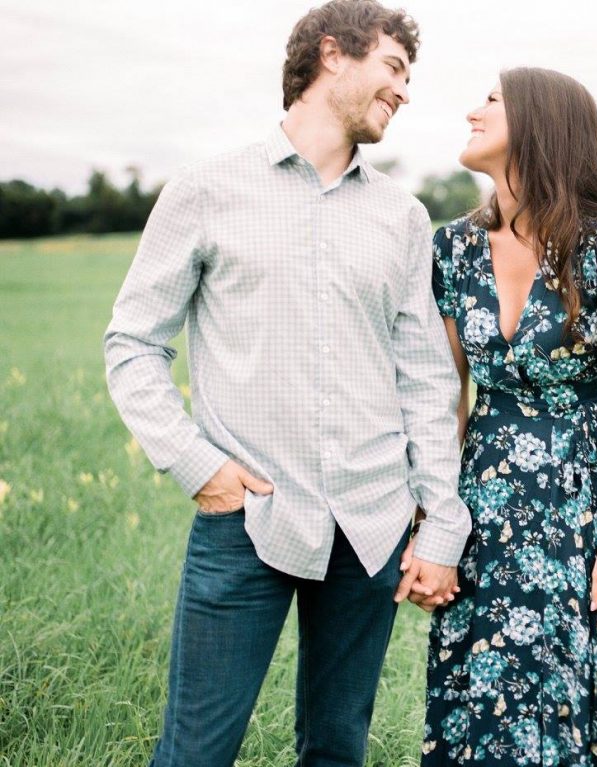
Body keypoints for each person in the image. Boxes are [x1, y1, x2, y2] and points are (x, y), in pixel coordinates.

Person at [103, 2, 470, 765]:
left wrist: (439, 519)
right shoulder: (205, 192)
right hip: (250, 521)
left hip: (372, 527)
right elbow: (133, 343)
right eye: (394, 68)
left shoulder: (402, 217)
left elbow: (426, 381)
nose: (404, 91)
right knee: (196, 752)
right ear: (332, 55)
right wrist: (196, 463)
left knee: (337, 749)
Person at [416, 68, 597, 766]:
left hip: (574, 518)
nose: (472, 111)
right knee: (478, 709)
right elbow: (446, 400)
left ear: (540, 122)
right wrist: (433, 523)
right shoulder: (453, 249)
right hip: (480, 515)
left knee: (563, 708)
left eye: (491, 101)